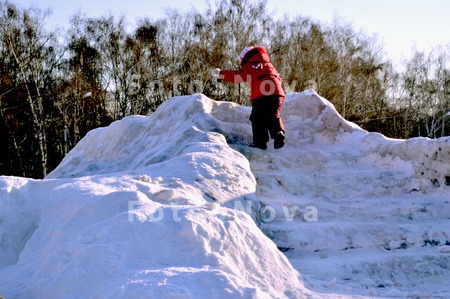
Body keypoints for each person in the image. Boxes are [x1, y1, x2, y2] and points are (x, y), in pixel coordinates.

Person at [211, 46, 285, 149]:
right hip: (277, 94)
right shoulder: (269, 65)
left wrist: (220, 74)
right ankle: (278, 132)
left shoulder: (250, 65)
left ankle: (260, 142)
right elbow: (279, 79)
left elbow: (237, 76)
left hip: (261, 94)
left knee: (257, 118)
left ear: (245, 58)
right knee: (273, 115)